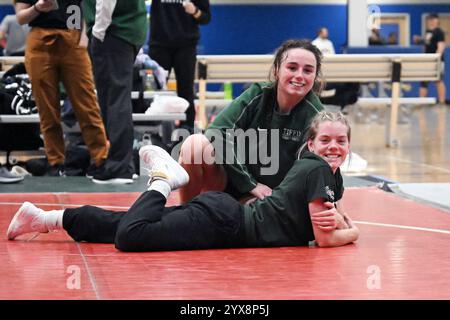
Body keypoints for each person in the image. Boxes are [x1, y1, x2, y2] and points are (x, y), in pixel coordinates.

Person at [7, 111, 360, 250]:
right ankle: (163, 179)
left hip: (224, 217)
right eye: (326, 140)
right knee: (132, 238)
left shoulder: (328, 174)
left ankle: (45, 219)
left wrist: (339, 219)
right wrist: (352, 230)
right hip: (226, 224)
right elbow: (328, 239)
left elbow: (330, 217)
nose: (334, 147)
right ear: (311, 144)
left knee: (122, 225)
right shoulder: (315, 168)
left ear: (348, 145)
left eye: (341, 141)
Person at [178, 39, 324, 203]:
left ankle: (229, 211)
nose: (299, 75)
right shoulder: (258, 95)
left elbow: (326, 166)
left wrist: (335, 210)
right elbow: (217, 130)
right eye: (292, 67)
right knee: (194, 145)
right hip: (233, 182)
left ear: (315, 77)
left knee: (255, 221)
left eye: (308, 70)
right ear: (276, 70)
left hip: (272, 197)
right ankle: (187, 212)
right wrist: (250, 184)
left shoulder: (317, 116)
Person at [14, 0, 109, 176]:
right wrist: (37, 8)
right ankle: (55, 162)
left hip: (73, 39)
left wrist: (84, 38)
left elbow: (88, 9)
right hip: (39, 41)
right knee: (47, 108)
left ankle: (100, 158)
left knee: (87, 103)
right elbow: (20, 18)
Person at [82, 0, 148, 184]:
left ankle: (119, 167)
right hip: (126, 29)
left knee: (114, 99)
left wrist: (98, 33)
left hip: (113, 30)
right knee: (117, 97)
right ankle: (123, 164)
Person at [148, 0, 211, 132]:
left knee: (186, 89)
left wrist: (195, 11)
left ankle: (186, 130)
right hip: (159, 43)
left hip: (186, 44)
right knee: (155, 90)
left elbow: (206, 17)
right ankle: (152, 129)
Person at [413, 13, 446, 105]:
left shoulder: (439, 32)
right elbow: (426, 44)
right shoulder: (428, 32)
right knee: (424, 81)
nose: (431, 22)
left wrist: (436, 58)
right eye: (429, 20)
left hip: (436, 60)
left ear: (437, 21)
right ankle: (421, 101)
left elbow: (441, 46)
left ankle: (442, 101)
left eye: (433, 20)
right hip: (427, 60)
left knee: (438, 80)